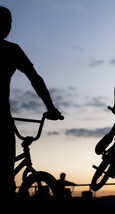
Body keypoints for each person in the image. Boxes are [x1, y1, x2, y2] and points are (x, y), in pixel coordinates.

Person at [0, 6, 62, 201]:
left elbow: (35, 78)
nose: (8, 27)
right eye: (6, 23)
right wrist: (50, 108)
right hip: (1, 117)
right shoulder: (11, 50)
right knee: (5, 175)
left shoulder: (12, 50)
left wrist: (50, 107)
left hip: (3, 116)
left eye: (9, 23)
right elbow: (35, 78)